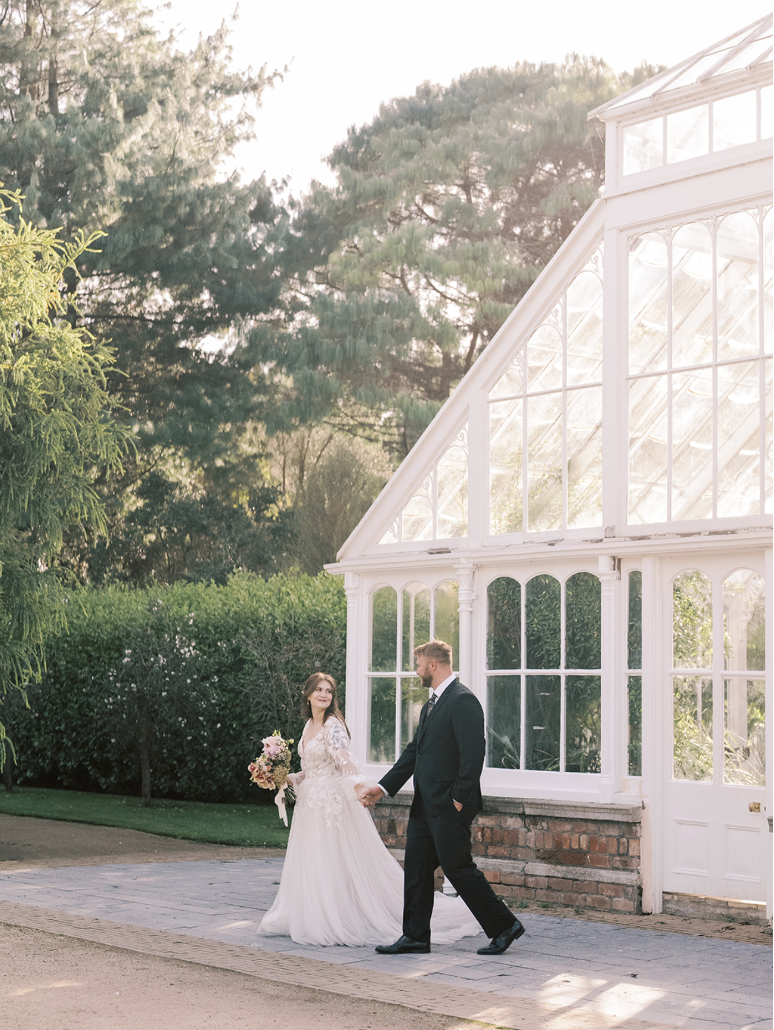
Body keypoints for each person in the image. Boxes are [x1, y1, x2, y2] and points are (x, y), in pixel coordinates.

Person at [258, 671, 480, 947]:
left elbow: (346, 764)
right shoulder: (308, 727)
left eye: (329, 691)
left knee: (332, 859)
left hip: (331, 804)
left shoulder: (333, 726)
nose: (324, 694)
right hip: (310, 804)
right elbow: (310, 770)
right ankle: (315, 914)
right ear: (308, 693)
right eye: (319, 690)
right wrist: (284, 779)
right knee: (314, 859)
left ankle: (338, 919)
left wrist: (361, 787)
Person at [361, 640, 525, 956]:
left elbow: (474, 753)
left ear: (433, 664)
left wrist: (459, 799)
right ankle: (415, 936)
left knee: (458, 868)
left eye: (419, 663)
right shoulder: (432, 704)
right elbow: (415, 752)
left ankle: (505, 926)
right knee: (417, 869)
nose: (417, 670)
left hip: (449, 805)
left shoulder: (463, 700)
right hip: (426, 804)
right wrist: (382, 788)